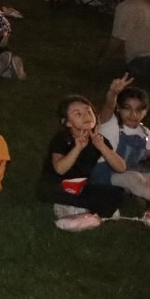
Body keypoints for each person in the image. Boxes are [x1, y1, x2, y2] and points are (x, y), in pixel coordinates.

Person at [38, 95, 129, 230]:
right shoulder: (62, 139)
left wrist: (101, 147)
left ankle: (83, 212)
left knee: (121, 193)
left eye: (88, 111)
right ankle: (82, 211)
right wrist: (77, 148)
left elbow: (121, 167)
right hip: (56, 186)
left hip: (80, 188)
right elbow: (60, 169)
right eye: (78, 114)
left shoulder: (98, 140)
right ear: (67, 122)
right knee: (48, 190)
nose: (86, 116)